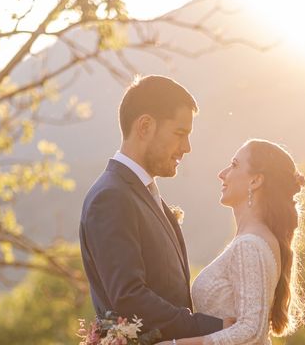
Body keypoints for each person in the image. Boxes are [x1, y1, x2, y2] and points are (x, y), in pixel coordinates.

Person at [79, 75, 226, 341]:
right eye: (180, 134)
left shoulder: (141, 193)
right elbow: (129, 296)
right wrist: (211, 328)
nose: (187, 148)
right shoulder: (111, 197)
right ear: (145, 126)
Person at [166, 138, 305, 345]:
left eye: (234, 165)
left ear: (255, 181)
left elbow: (251, 331)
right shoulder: (254, 240)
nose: (222, 174)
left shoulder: (250, 245)